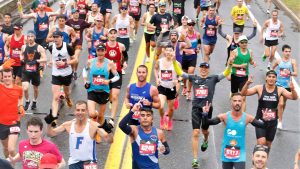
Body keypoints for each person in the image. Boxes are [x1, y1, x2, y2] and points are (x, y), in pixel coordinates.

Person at [172, 54, 233, 168]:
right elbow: (181, 73)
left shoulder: (213, 78)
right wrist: (174, 61)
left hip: (207, 109)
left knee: (205, 131)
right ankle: (195, 159)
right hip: (196, 108)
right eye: (202, 68)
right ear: (199, 69)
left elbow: (225, 73)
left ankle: (205, 140)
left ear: (208, 70)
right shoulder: (194, 78)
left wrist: (230, 64)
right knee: (196, 132)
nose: (204, 70)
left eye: (206, 68)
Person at [202, 93, 265, 169]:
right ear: (231, 102)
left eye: (239, 101)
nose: (237, 103)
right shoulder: (224, 116)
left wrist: (266, 120)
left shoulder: (248, 118)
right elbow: (207, 124)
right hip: (226, 153)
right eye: (235, 101)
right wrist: (205, 114)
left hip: (240, 154)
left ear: (242, 102)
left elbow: (262, 125)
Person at [45, 100, 113, 168]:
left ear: (87, 111)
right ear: (74, 111)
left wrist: (109, 131)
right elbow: (50, 133)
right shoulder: (68, 125)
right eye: (78, 110)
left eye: (83, 110)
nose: (80, 112)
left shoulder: (94, 125)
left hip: (90, 163)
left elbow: (109, 140)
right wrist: (49, 123)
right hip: (74, 163)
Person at [240, 70, 298, 149]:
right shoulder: (259, 88)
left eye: (273, 77)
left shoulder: (280, 90)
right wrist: (247, 84)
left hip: (272, 123)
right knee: (261, 142)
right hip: (260, 121)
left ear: (276, 79)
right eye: (269, 77)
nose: (271, 78)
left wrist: (293, 89)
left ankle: (264, 160)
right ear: (266, 78)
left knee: (268, 145)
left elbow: (294, 97)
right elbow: (243, 93)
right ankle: (256, 159)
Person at [82, 43, 118, 142]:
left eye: (102, 51)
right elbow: (84, 71)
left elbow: (117, 76)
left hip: (104, 92)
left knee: (101, 116)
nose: (100, 53)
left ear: (105, 51)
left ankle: (99, 131)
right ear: (96, 51)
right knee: (92, 113)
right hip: (92, 90)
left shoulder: (110, 63)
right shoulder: (90, 62)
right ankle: (96, 118)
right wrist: (85, 81)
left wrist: (109, 81)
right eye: (99, 50)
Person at [119, 103, 170, 169]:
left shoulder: (159, 132)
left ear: (152, 119)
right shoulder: (134, 130)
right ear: (139, 118)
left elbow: (167, 150)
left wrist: (164, 150)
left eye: (148, 115)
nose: (145, 117)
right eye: (142, 115)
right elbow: (121, 125)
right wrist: (133, 110)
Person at [47, 30, 77, 124]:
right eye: (54, 37)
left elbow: (75, 60)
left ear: (62, 38)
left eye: (57, 37)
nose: (55, 39)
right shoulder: (51, 47)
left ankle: (67, 98)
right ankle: (54, 117)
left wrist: (65, 63)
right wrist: (50, 62)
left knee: (66, 92)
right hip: (56, 74)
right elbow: (53, 57)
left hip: (66, 74)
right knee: (55, 97)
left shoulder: (67, 47)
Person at [0, 67, 24, 158]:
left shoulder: (19, 89)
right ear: (2, 77)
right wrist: (1, 67)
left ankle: (19, 162)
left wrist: (20, 106)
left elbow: (21, 98)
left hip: (14, 122)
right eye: (5, 76)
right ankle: (8, 164)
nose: (7, 78)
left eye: (9, 76)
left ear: (12, 76)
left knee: (11, 149)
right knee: (5, 148)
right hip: (1, 123)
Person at [272, 44, 297, 129]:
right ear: (283, 52)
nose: (288, 53)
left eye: (289, 51)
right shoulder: (278, 61)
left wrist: (289, 73)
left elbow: (296, 73)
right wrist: (272, 78)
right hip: (278, 85)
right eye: (286, 51)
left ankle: (279, 115)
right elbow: (272, 69)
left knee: (284, 104)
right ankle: (280, 122)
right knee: (281, 103)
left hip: (287, 86)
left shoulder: (292, 61)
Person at [21, 30, 47, 111]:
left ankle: (34, 101)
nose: (30, 38)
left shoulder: (39, 47)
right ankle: (27, 101)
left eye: (32, 36)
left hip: (35, 72)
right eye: (28, 37)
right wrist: (21, 59)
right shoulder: (24, 47)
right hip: (26, 71)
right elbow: (21, 54)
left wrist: (37, 61)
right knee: (25, 88)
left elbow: (45, 59)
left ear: (34, 37)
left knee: (35, 89)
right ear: (27, 38)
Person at [154, 45, 178, 130]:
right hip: (162, 87)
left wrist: (177, 80)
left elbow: (181, 75)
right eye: (167, 50)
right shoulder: (159, 61)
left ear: (173, 52)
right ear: (164, 52)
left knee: (171, 109)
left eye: (170, 50)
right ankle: (162, 118)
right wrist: (157, 79)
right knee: (160, 106)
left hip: (171, 88)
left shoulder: (176, 63)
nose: (168, 52)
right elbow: (156, 69)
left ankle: (170, 120)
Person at [105, 28, 127, 120]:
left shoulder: (121, 46)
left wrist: (124, 63)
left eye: (114, 33)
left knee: (115, 95)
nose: (113, 35)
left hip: (117, 72)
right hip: (106, 72)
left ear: (117, 35)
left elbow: (125, 56)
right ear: (108, 35)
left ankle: (112, 119)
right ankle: (110, 101)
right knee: (109, 95)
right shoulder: (103, 46)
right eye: (111, 33)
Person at [230, 35, 256, 112]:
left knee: (243, 96)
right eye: (242, 42)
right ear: (239, 43)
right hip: (235, 76)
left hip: (244, 77)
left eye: (246, 42)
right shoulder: (235, 52)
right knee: (234, 95)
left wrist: (253, 63)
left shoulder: (250, 52)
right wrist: (240, 66)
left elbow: (251, 61)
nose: (244, 44)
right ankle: (233, 112)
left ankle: (242, 116)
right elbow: (230, 65)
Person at [66, 9, 91, 80]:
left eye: (77, 13)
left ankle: (75, 72)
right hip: (70, 43)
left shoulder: (82, 22)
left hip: (79, 42)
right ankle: (71, 71)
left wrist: (94, 21)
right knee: (71, 58)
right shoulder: (69, 22)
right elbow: (63, 28)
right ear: (72, 14)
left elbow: (89, 25)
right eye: (75, 13)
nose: (76, 14)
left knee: (75, 57)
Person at [181, 19, 201, 100]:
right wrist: (185, 50)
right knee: (185, 75)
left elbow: (199, 43)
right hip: (184, 56)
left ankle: (189, 92)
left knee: (191, 73)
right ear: (187, 25)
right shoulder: (183, 34)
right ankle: (185, 87)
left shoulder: (197, 34)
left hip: (193, 56)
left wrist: (198, 48)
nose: (191, 26)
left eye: (192, 24)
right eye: (189, 24)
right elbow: (180, 46)